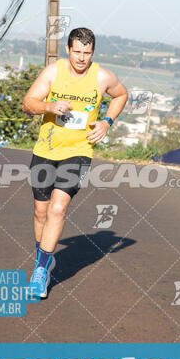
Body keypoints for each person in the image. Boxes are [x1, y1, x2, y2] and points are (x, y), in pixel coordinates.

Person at [22, 27, 128, 298]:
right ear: (68, 50)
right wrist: (49, 107)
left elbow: (121, 95)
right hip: (46, 149)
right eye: (77, 52)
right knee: (40, 211)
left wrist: (107, 121)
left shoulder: (103, 77)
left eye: (87, 53)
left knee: (58, 208)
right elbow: (28, 103)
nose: (82, 58)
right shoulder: (53, 72)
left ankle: (40, 272)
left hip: (79, 151)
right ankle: (43, 259)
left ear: (93, 53)